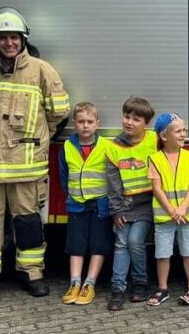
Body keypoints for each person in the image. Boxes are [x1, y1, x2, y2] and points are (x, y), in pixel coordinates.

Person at [0, 7, 69, 303]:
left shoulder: (41, 70)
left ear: (23, 39)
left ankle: (31, 274)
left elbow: (58, 112)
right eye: (2, 38)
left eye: (14, 37)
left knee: (28, 222)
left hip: (26, 167)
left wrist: (38, 136)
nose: (9, 43)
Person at [58, 102, 114, 306]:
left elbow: (112, 176)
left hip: (100, 205)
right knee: (76, 245)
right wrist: (71, 195)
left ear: (97, 124)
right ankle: (75, 283)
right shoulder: (67, 146)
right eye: (81, 121)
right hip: (76, 204)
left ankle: (89, 284)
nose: (85, 125)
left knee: (98, 245)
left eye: (90, 122)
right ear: (74, 123)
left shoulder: (106, 146)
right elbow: (64, 177)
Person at [106, 96, 157, 311]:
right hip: (124, 205)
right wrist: (116, 210)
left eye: (136, 119)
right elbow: (113, 183)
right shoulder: (113, 147)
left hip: (146, 204)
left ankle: (140, 283)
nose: (129, 122)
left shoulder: (154, 140)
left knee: (135, 240)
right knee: (121, 243)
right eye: (127, 117)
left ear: (146, 124)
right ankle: (117, 289)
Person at [148, 112, 189, 306]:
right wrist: (172, 211)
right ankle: (162, 288)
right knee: (162, 254)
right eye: (178, 130)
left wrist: (183, 207)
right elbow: (157, 188)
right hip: (165, 217)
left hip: (186, 216)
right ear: (164, 136)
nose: (183, 134)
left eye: (184, 130)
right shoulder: (155, 159)